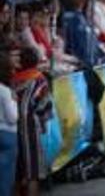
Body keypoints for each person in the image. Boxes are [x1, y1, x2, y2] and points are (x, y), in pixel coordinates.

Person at [12, 47, 52, 196]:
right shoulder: (39, 79)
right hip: (31, 128)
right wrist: (43, 122)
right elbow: (45, 106)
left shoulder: (12, 80)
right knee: (32, 172)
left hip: (12, 127)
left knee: (17, 171)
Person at [0, 52, 18, 196]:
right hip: (7, 133)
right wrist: (14, 102)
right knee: (6, 176)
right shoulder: (5, 91)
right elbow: (12, 118)